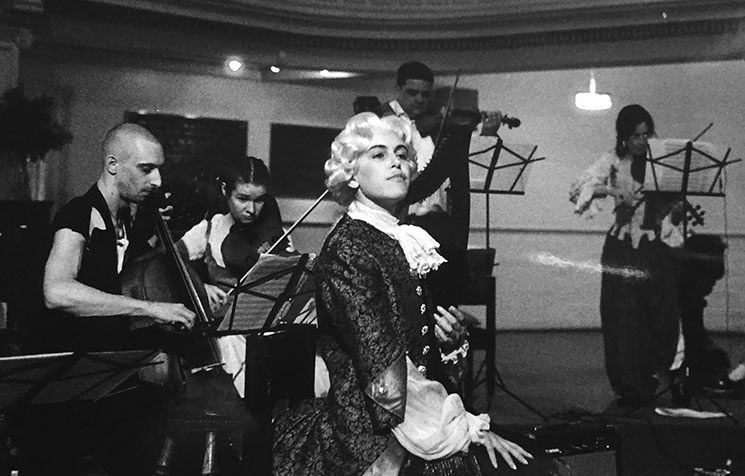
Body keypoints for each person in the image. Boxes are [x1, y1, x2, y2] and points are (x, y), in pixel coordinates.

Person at [273, 113, 553, 475]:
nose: (396, 162)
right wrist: (468, 428)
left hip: (417, 413)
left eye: (402, 154)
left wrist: (445, 342)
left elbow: (412, 346)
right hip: (375, 432)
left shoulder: (399, 239)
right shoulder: (349, 248)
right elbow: (383, 370)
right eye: (378, 155)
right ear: (352, 174)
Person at [16, 123, 197, 476]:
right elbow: (56, 291)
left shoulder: (129, 223)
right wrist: (148, 308)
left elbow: (142, 276)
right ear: (113, 164)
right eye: (147, 169)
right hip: (67, 389)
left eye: (159, 169)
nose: (158, 181)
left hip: (110, 382)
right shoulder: (77, 216)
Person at [569, 104, 680, 406]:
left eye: (646, 135)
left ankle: (652, 375)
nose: (642, 143)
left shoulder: (662, 164)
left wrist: (673, 208)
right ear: (624, 137)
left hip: (652, 248)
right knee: (622, 319)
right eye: (635, 137)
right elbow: (580, 186)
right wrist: (613, 192)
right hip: (620, 248)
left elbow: (668, 209)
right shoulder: (613, 161)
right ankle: (628, 385)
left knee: (660, 316)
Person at [380, 61, 503, 308]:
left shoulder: (438, 126)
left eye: (426, 94)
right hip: (401, 224)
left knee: (443, 293)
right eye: (412, 93)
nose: (420, 100)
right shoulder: (382, 122)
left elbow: (465, 167)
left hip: (439, 227)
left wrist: (487, 133)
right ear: (397, 88)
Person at [176, 155, 297, 396]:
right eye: (242, 199)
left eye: (260, 200)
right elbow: (169, 258)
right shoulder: (210, 228)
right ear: (225, 190)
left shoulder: (276, 235)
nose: (252, 210)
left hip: (267, 330)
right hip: (225, 331)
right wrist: (200, 285)